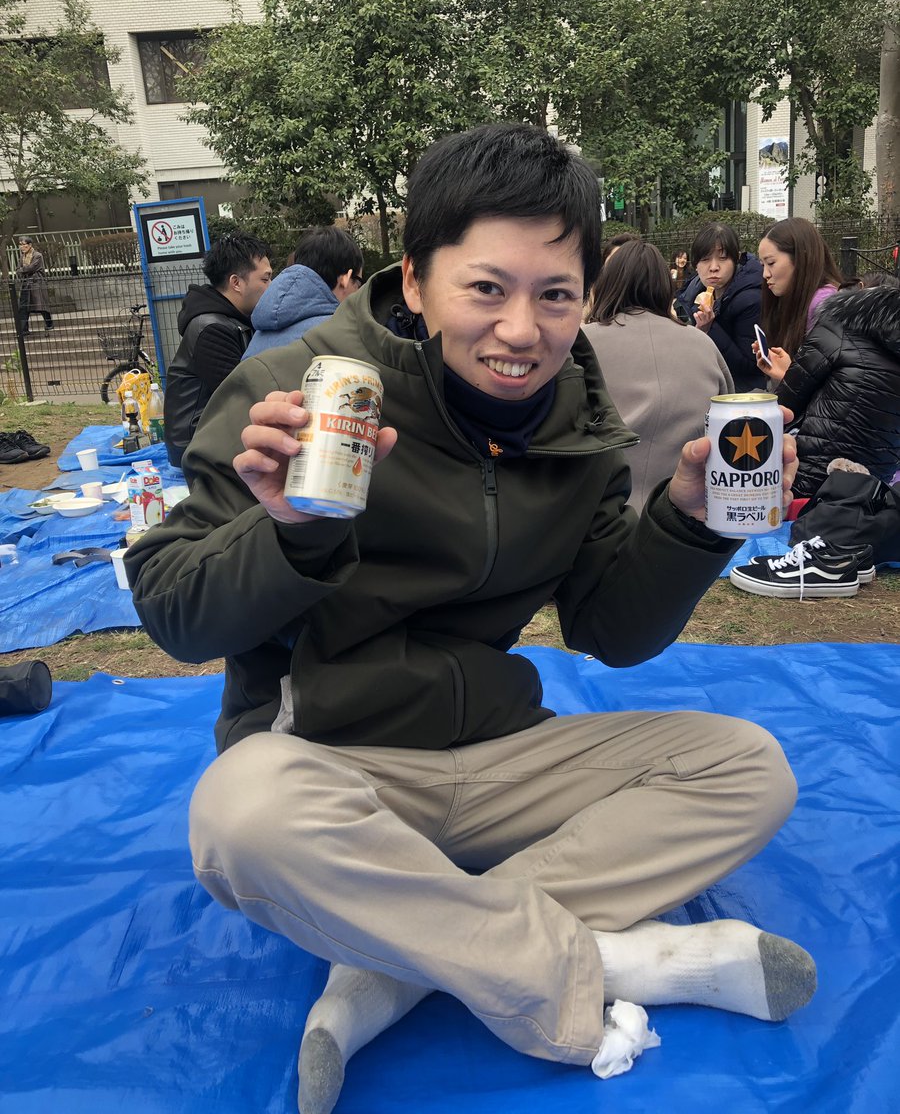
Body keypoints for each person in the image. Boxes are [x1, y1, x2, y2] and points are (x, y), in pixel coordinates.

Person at [126, 124, 813, 1113]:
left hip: (498, 753)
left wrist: (689, 521)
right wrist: (287, 533)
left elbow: (611, 630)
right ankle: (607, 965)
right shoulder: (297, 390)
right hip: (332, 762)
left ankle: (398, 963)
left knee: (747, 767)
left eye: (555, 295)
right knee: (240, 812)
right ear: (415, 281)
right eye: (486, 288)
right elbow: (173, 611)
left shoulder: (580, 424)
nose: (521, 330)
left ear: (587, 294)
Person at [582, 239, 733, 509]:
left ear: (606, 284)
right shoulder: (702, 345)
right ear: (665, 287)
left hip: (598, 508)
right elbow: (728, 422)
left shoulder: (581, 344)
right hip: (685, 507)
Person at [754, 285, 900, 497]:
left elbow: (784, 408)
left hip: (806, 480)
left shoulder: (837, 325)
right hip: (873, 493)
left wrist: (789, 374)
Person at [163, 231, 272, 468]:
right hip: (194, 447)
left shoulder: (235, 320)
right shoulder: (211, 329)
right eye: (265, 280)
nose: (271, 287)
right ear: (236, 283)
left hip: (211, 435)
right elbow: (241, 396)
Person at [243, 226, 365, 359]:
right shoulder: (344, 339)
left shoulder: (257, 339)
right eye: (359, 283)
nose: (358, 292)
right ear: (345, 279)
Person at [677, 223, 764, 391]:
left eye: (723, 258)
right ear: (695, 264)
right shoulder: (691, 295)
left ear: (736, 259)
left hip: (740, 394)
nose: (714, 267)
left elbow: (750, 366)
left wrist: (710, 328)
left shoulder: (751, 299)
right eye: (705, 259)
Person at [758, 218, 843, 366]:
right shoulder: (791, 298)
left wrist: (789, 374)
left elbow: (834, 375)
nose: (765, 274)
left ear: (800, 258)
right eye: (762, 265)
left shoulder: (824, 304)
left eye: (771, 263)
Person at [15, 237, 52, 334]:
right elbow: (18, 269)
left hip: (36, 283)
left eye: (24, 244)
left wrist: (22, 270)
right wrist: (21, 271)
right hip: (26, 283)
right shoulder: (22, 257)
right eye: (20, 244)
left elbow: (31, 268)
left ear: (30, 245)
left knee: (40, 305)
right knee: (23, 307)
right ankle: (23, 329)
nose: (22, 246)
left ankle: (49, 323)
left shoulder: (37, 255)